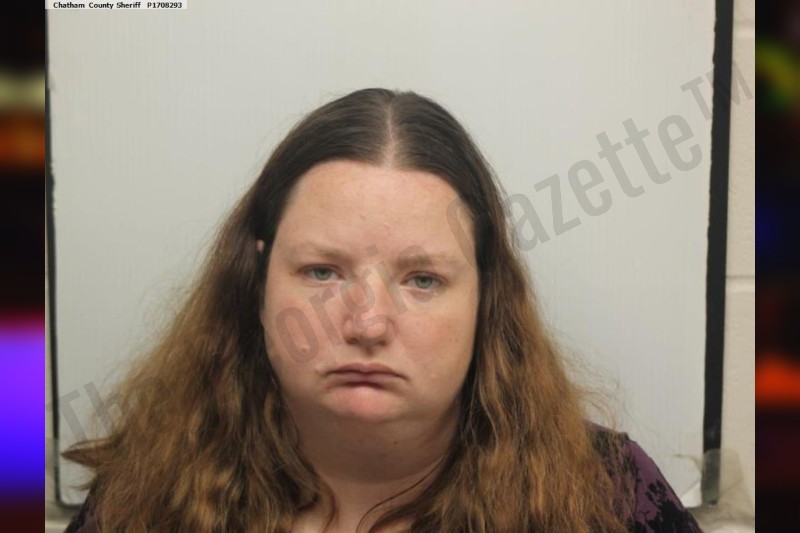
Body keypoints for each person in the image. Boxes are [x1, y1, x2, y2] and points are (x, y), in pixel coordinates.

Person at [63, 88, 702, 532]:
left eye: (422, 280)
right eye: (322, 272)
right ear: (256, 283)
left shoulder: (609, 497)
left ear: (486, 301)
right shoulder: (146, 493)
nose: (367, 324)